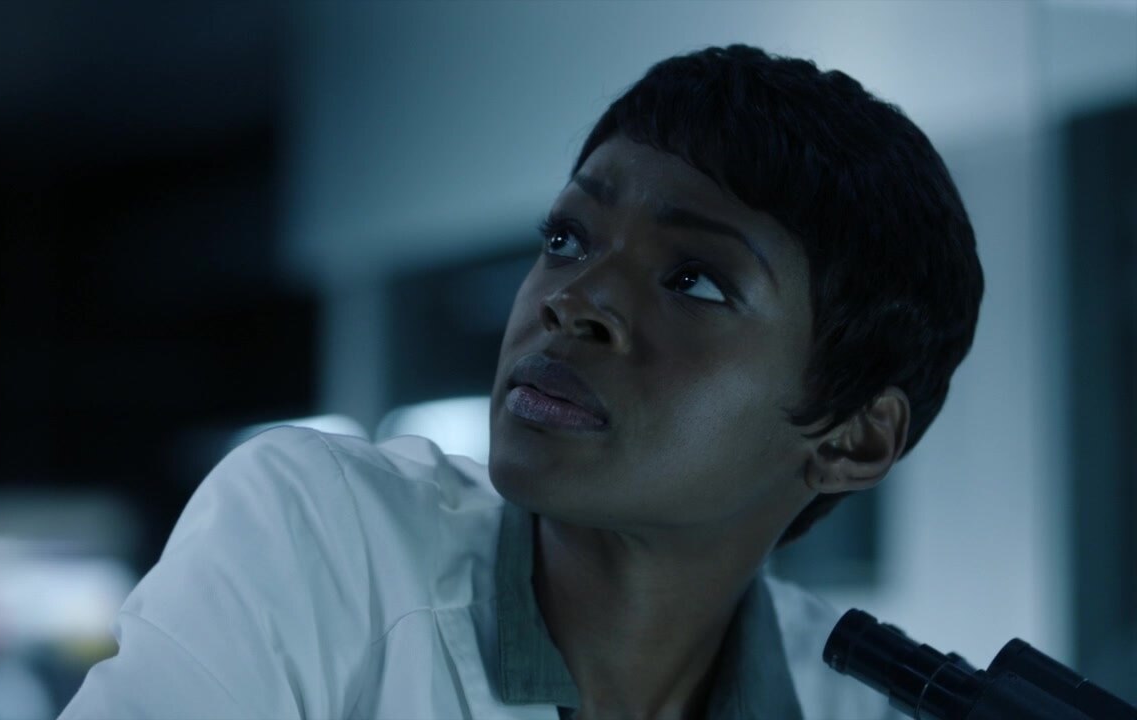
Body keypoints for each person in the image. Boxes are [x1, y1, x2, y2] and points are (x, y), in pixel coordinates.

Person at [60, 44, 983, 720]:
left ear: (853, 437)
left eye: (694, 280)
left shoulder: (854, 700)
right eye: (567, 239)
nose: (574, 301)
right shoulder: (320, 538)